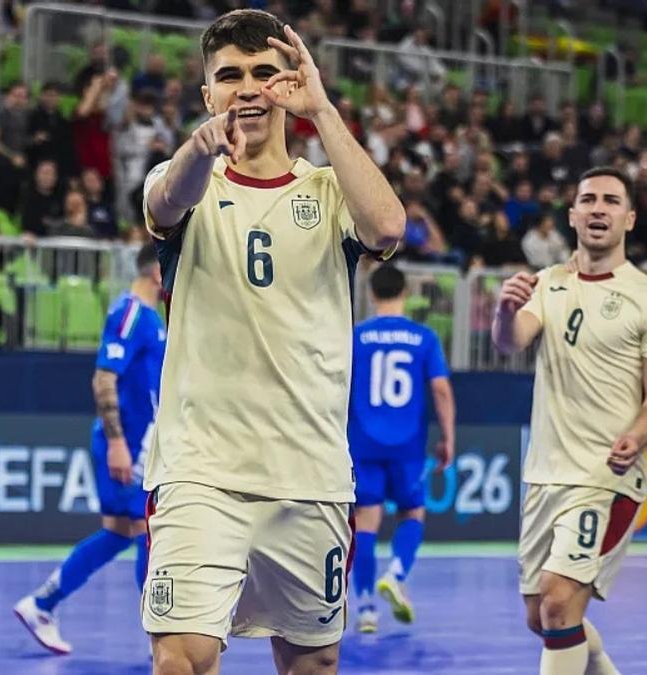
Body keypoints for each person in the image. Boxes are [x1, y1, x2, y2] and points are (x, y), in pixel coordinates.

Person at [139, 10, 404, 675]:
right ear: (208, 96)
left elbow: (388, 225)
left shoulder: (326, 190)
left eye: (264, 72)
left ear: (287, 81)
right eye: (229, 76)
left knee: (312, 663)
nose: (247, 87)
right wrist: (200, 149)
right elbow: (164, 205)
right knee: (181, 658)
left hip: (308, 474)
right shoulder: (189, 181)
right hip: (202, 472)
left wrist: (321, 109)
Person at [492, 166, 647, 675]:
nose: (599, 208)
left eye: (611, 201)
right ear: (573, 215)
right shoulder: (546, 283)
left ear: (630, 217)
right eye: (589, 199)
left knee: (558, 602)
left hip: (607, 477)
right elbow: (511, 340)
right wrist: (504, 311)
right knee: (543, 617)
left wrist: (637, 437)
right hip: (545, 474)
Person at [14, 243, 164, 655]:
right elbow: (103, 378)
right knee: (143, 531)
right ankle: (161, 637)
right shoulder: (131, 313)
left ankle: (41, 603)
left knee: (119, 532)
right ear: (156, 273)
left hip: (138, 441)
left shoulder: (151, 319)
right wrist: (118, 443)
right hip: (128, 444)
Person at [348, 263, 455, 633]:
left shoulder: (355, 337)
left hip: (362, 440)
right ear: (405, 294)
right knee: (413, 513)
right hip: (407, 443)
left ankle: (364, 608)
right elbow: (440, 389)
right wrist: (448, 437)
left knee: (365, 521)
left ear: (372, 294)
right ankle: (395, 573)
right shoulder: (424, 338)